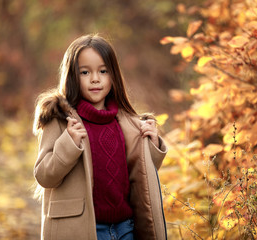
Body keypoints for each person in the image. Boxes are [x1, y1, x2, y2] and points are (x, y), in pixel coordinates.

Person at [33, 34, 168, 240]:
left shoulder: (127, 122)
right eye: (85, 72)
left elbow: (139, 175)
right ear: (72, 76)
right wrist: (68, 144)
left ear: (113, 76)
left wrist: (153, 144)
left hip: (126, 228)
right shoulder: (60, 121)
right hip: (84, 228)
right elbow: (44, 176)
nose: (95, 78)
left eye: (103, 71)